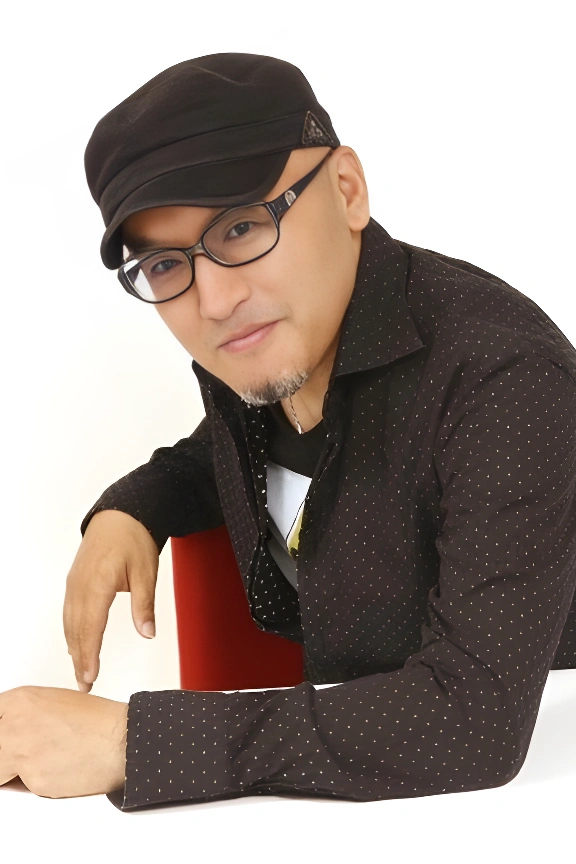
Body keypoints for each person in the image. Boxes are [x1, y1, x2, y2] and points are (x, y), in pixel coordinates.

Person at [1, 53, 576, 811]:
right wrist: (131, 508)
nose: (213, 300)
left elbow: (475, 721)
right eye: (166, 265)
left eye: (242, 227)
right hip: (336, 801)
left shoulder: (505, 377)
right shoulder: (272, 342)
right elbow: (227, 453)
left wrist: (129, 743)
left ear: (347, 190)